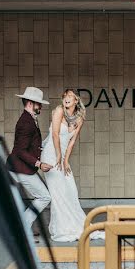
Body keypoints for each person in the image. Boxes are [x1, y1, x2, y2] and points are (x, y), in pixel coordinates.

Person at [40, 89, 102, 242]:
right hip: (51, 154)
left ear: (76, 101)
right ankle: (61, 228)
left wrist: (66, 159)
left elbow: (72, 141)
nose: (66, 98)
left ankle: (73, 225)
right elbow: (55, 134)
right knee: (58, 192)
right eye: (65, 96)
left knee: (70, 190)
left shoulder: (80, 118)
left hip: (62, 156)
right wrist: (58, 155)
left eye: (70, 96)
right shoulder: (59, 110)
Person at [7, 86, 52, 236]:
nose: (41, 107)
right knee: (44, 196)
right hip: (20, 168)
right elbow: (20, 151)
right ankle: (23, 227)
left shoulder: (30, 119)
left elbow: (33, 145)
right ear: (30, 103)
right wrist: (39, 164)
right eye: (39, 104)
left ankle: (21, 226)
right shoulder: (26, 122)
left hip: (19, 167)